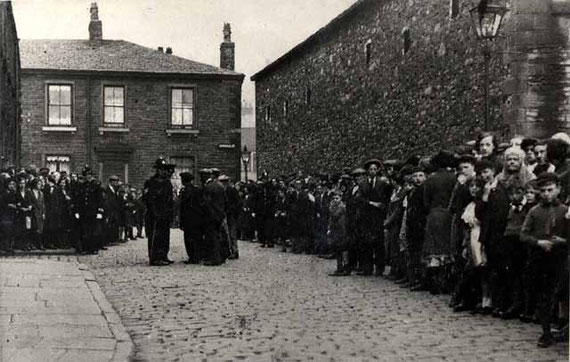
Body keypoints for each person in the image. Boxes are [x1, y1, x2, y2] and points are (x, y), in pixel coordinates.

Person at [520, 172, 568, 348]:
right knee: (544, 296)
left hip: (561, 258)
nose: (547, 194)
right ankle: (546, 332)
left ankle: (564, 327)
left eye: (550, 190)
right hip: (540, 258)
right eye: (543, 191)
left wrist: (563, 241)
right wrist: (538, 242)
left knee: (562, 293)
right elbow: (523, 234)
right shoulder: (534, 211)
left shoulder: (565, 211)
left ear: (558, 189)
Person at [422, 151, 456, 294]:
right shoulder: (454, 178)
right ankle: (446, 282)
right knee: (447, 247)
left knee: (433, 248)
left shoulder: (430, 179)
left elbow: (426, 201)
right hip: (449, 215)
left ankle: (434, 284)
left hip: (434, 215)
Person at [360, 158, 392, 276]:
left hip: (378, 217)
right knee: (366, 243)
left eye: (375, 169)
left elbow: (386, 199)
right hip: (366, 216)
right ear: (367, 171)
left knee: (379, 243)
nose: (373, 171)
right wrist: (372, 203)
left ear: (378, 170)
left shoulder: (383, 184)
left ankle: (380, 268)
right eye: (371, 169)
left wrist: (382, 207)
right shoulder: (362, 184)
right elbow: (360, 199)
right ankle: (367, 268)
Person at [145, 158, 174, 266]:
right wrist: (155, 213)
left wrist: (169, 213)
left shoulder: (167, 182)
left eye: (164, 169)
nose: (162, 171)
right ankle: (154, 258)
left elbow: (169, 200)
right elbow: (148, 199)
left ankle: (163, 255)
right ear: (156, 170)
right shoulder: (151, 182)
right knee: (155, 236)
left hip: (165, 214)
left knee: (164, 236)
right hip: (155, 215)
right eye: (160, 169)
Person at [75, 166, 106, 255]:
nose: (88, 176)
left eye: (89, 175)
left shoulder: (96, 185)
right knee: (85, 231)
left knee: (94, 231)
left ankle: (94, 248)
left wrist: (100, 211)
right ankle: (86, 248)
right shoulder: (83, 186)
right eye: (86, 175)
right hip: (84, 212)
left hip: (93, 212)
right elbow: (79, 199)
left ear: (92, 175)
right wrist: (77, 211)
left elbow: (100, 199)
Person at [179, 171, 205, 264]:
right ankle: (198, 256)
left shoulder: (185, 192)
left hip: (189, 219)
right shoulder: (197, 190)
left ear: (183, 181)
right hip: (198, 218)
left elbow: (184, 207)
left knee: (189, 238)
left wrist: (181, 221)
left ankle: (193, 257)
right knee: (197, 238)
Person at [202, 168, 226, 266]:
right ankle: (221, 256)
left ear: (212, 175)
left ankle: (214, 258)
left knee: (211, 237)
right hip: (219, 214)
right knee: (218, 235)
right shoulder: (221, 186)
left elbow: (206, 202)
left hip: (211, 215)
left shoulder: (209, 186)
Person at [328, 189, 349, 276]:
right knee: (337, 250)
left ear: (340, 198)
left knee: (343, 250)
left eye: (337, 198)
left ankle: (346, 268)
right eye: (334, 198)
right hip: (336, 230)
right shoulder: (336, 207)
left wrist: (330, 208)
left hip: (342, 231)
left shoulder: (341, 207)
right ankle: (339, 267)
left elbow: (335, 215)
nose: (335, 200)